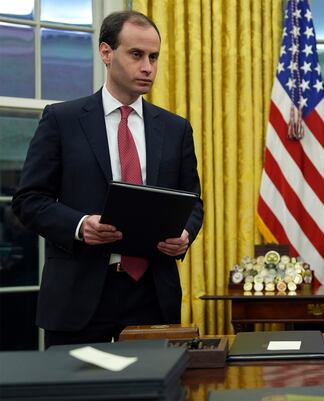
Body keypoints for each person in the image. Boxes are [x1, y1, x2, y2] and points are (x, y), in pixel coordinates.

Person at [12, 11, 204, 347]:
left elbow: (193, 202)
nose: (148, 67)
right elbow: (29, 201)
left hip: (152, 294)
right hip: (79, 293)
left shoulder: (176, 129)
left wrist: (185, 234)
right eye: (136, 55)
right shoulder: (62, 120)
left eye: (154, 57)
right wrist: (80, 225)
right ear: (106, 53)